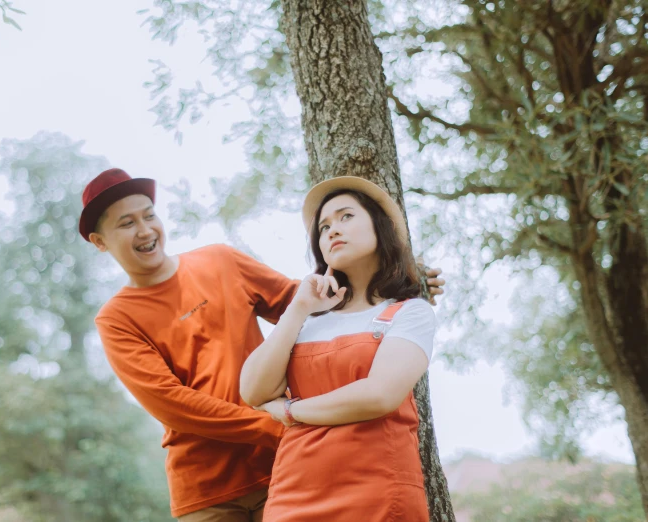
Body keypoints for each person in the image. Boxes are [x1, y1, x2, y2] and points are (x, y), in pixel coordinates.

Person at [80, 168, 445, 521]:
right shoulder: (115, 318)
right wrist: (280, 423)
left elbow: (313, 302)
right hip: (208, 487)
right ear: (100, 241)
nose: (145, 230)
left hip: (286, 469)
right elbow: (172, 404)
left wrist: (404, 275)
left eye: (149, 216)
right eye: (127, 224)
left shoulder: (220, 260)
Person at [239, 176, 436, 521]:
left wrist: (290, 411)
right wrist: (298, 307)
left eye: (346, 217)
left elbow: (379, 396)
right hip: (293, 494)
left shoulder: (410, 311)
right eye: (323, 227)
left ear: (380, 227)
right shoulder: (306, 321)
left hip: (377, 493)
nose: (331, 230)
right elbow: (253, 389)